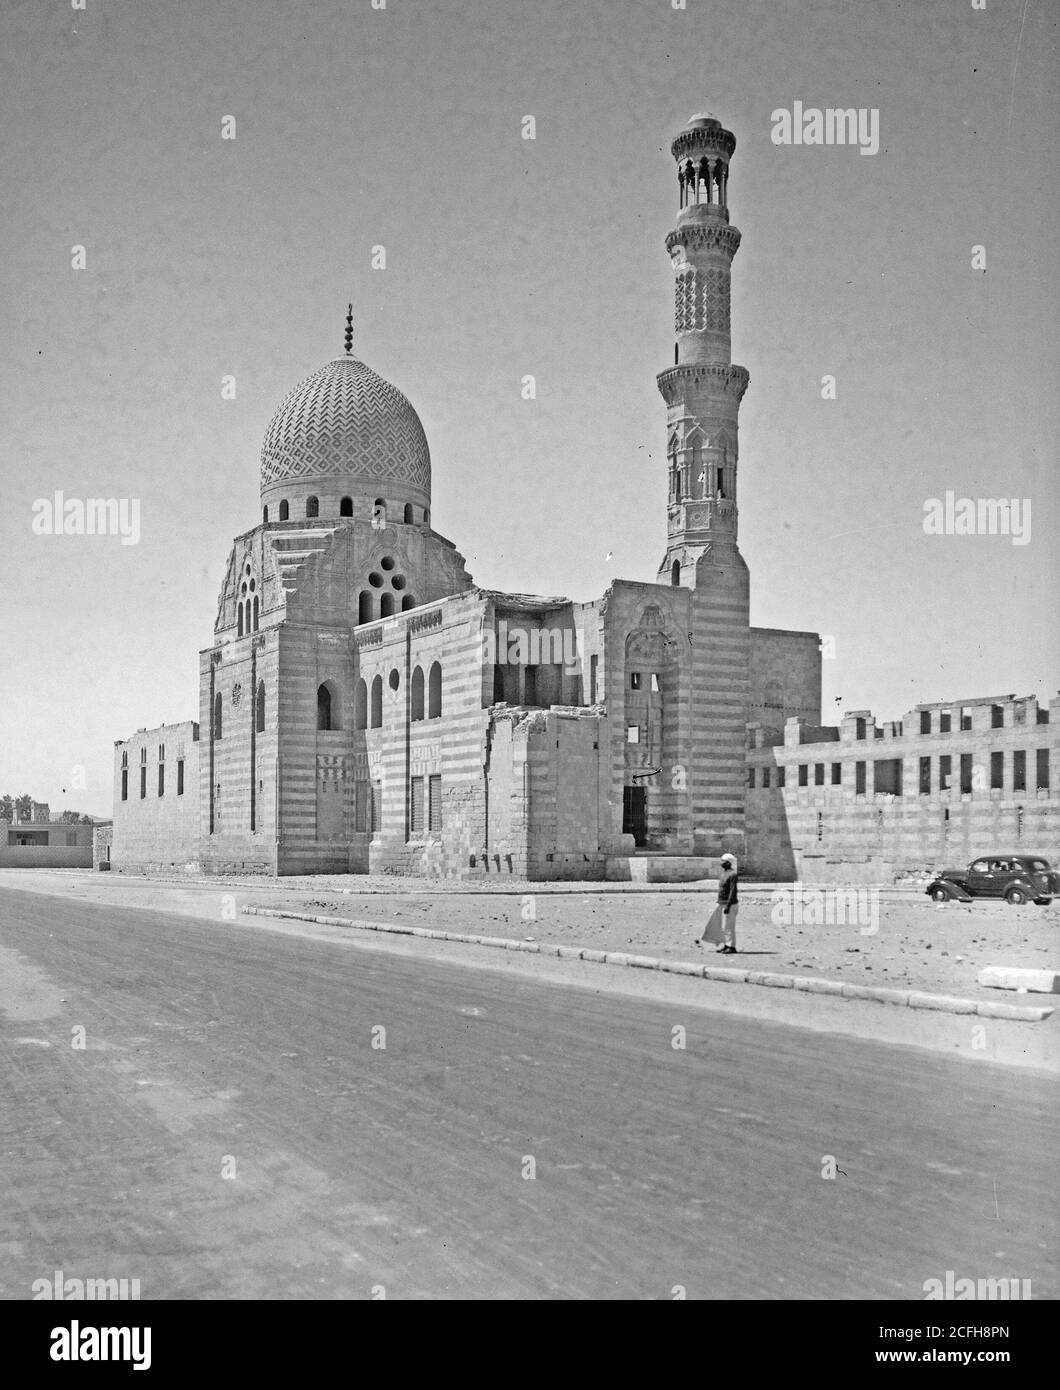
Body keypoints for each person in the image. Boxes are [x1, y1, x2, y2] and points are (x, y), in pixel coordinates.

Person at [695, 852, 739, 952]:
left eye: (723, 861)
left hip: (730, 904)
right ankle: (726, 945)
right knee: (723, 926)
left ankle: (732, 947)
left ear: (729, 863)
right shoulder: (724, 873)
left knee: (729, 926)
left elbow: (733, 891)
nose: (721, 863)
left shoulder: (733, 874)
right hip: (722, 903)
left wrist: (728, 905)